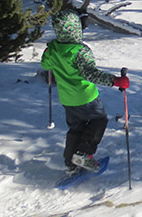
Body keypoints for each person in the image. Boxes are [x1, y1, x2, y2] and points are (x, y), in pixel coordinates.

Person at [41, 9, 130, 173]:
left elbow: (46, 66)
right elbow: (90, 74)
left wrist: (48, 52)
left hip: (67, 99)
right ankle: (83, 155)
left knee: (76, 127)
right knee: (99, 121)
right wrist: (116, 81)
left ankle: (71, 163)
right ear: (75, 28)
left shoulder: (52, 48)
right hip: (86, 97)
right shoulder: (80, 51)